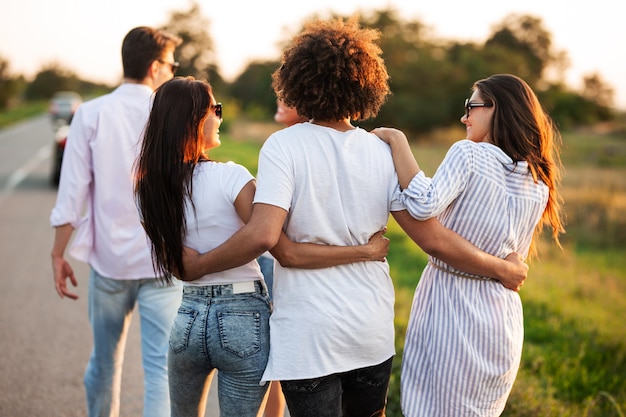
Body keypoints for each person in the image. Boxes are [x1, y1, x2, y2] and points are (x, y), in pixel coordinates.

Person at [180, 19, 527, 417]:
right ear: (365, 85)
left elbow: (263, 235)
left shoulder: (283, 146)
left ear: (297, 80)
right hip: (369, 329)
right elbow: (431, 239)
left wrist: (199, 265)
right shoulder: (380, 151)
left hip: (310, 335)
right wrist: (501, 268)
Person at [134, 76, 389, 417]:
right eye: (216, 110)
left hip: (188, 317)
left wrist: (196, 267)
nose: (221, 118)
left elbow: (179, 263)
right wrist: (364, 251)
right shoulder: (231, 177)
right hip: (243, 317)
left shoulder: (146, 190)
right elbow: (272, 239)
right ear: (194, 119)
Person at [373, 73, 565, 416]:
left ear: (498, 109)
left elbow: (424, 204)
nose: (464, 117)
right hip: (502, 319)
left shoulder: (469, 154)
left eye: (471, 106)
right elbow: (512, 257)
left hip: (452, 309)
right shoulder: (538, 180)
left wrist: (396, 139)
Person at [49, 26, 183, 417]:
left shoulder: (90, 113)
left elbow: (71, 194)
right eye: (171, 65)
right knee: (161, 369)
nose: (173, 72)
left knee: (105, 365)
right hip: (163, 263)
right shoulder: (169, 112)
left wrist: (59, 254)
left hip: (109, 264)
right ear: (156, 66)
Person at [258, 97, 308, 417]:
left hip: (289, 267)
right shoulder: (281, 145)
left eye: (290, 93)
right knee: (275, 366)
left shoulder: (284, 146)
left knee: (285, 363)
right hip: (274, 262)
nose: (279, 96)